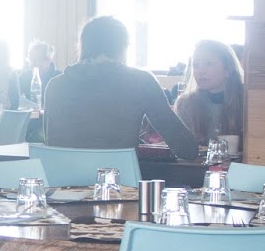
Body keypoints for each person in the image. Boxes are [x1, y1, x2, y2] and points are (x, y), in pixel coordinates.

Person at [42, 15, 199, 159]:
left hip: (62, 178)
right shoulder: (141, 81)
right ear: (123, 47)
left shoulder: (55, 86)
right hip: (118, 178)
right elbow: (187, 149)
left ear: (83, 47)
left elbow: (51, 143)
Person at [173, 39, 245, 142]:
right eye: (196, 65)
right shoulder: (186, 103)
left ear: (228, 68)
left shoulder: (246, 101)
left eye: (209, 63)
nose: (201, 71)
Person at [9, 40, 59, 108]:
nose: (32, 64)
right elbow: (14, 98)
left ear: (48, 61)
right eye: (30, 60)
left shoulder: (58, 78)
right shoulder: (25, 76)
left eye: (37, 60)